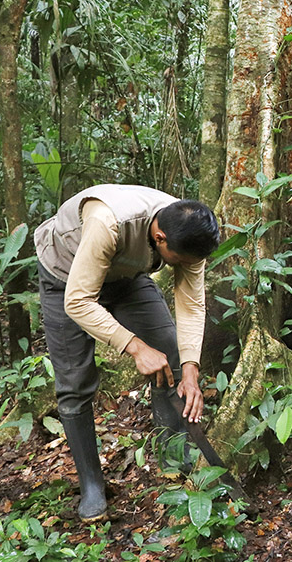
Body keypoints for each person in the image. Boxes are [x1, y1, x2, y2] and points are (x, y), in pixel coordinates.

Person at [34, 184, 220, 521]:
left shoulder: (189, 235)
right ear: (160, 237)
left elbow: (191, 305)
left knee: (171, 352)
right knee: (74, 384)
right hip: (65, 278)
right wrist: (135, 347)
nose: (184, 266)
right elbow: (78, 301)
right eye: (178, 261)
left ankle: (174, 464)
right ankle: (92, 485)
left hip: (126, 278)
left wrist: (191, 368)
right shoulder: (108, 222)